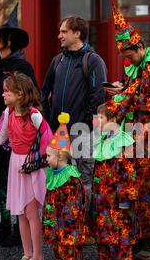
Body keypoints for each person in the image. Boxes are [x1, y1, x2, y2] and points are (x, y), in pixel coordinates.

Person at [104, 6, 150, 260]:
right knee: (132, 188)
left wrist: (128, 96)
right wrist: (120, 90)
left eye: (127, 54)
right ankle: (136, 238)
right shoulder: (134, 67)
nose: (126, 60)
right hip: (133, 136)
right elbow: (132, 92)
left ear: (139, 48)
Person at [0, 72, 52, 260]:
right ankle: (27, 254)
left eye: (7, 91)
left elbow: (49, 141)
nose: (3, 95)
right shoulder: (8, 112)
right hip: (16, 163)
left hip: (32, 166)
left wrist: (36, 163)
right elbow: (2, 136)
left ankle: (39, 258)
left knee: (32, 213)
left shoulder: (34, 115)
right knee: (20, 213)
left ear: (20, 93)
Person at [41, 15, 107, 245]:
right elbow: (45, 89)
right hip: (58, 133)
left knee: (83, 181)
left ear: (77, 33)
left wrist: (85, 124)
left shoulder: (94, 61)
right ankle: (64, 225)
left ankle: (82, 228)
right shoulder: (57, 60)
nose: (59, 35)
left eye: (63, 31)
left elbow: (98, 96)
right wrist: (49, 120)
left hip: (82, 133)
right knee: (59, 179)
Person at [0, 3, 38, 248]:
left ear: (9, 40)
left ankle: (18, 230)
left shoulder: (21, 68)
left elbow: (32, 100)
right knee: (1, 184)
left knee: (17, 186)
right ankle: (5, 227)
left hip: (15, 136)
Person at [90, 104, 137, 260]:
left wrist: (125, 200)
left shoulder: (124, 143)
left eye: (102, 118)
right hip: (103, 197)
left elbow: (129, 174)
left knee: (119, 235)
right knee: (103, 234)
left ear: (114, 120)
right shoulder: (103, 139)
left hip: (118, 199)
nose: (97, 121)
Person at [43, 112, 87, 260]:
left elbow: (75, 201)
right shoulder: (55, 174)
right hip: (57, 220)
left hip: (68, 222)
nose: (46, 159)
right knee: (58, 246)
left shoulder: (71, 178)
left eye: (49, 156)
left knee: (69, 247)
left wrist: (66, 219)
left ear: (60, 156)